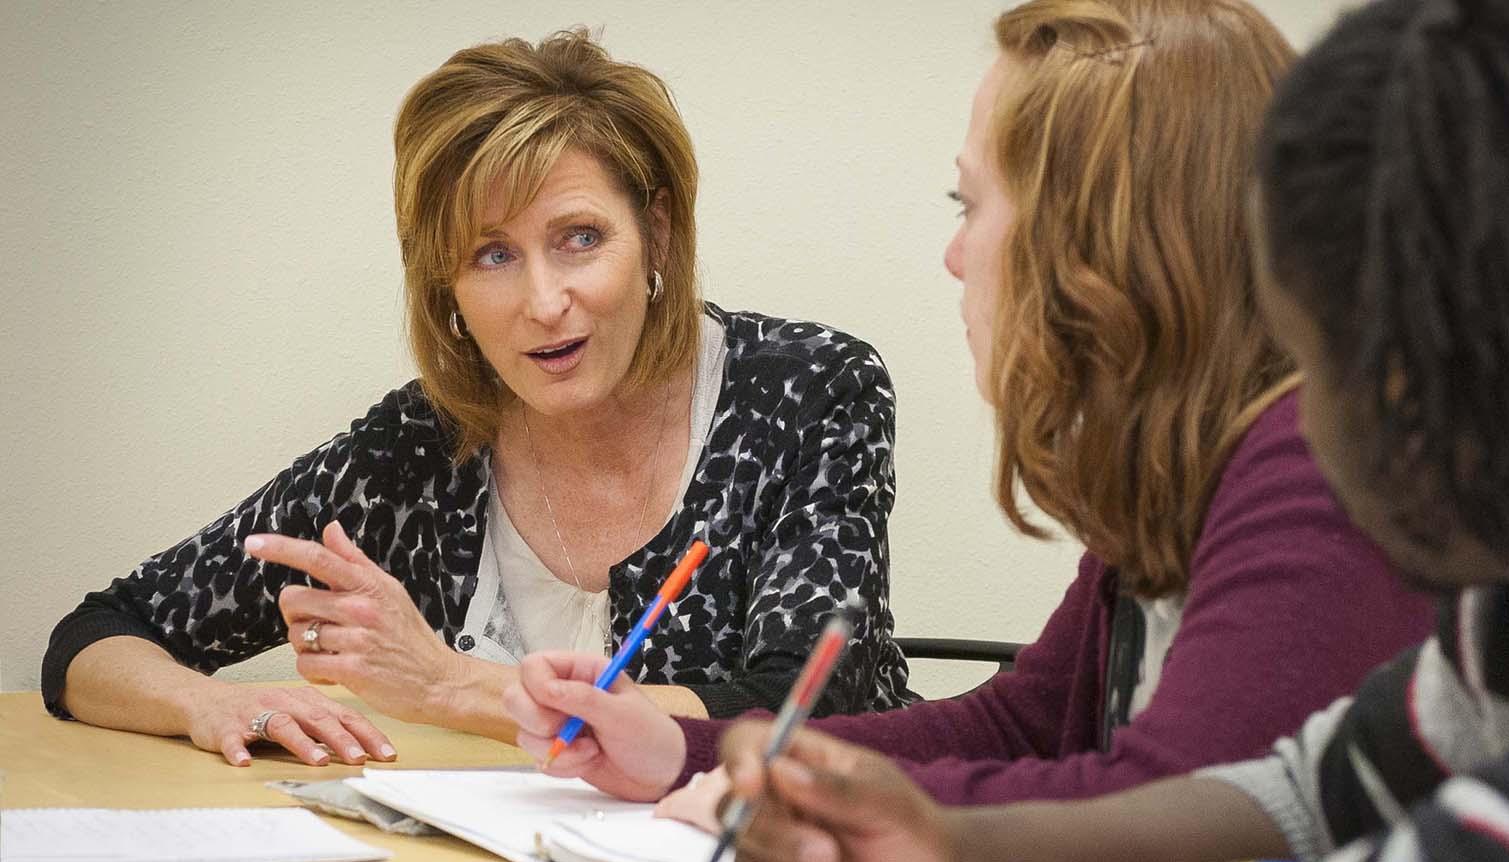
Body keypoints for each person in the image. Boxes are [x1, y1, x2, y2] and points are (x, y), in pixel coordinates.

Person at [716, 0, 1509, 862]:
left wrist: (952, 845)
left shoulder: (1297, 474)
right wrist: (945, 847)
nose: (1310, 402)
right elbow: (1295, 788)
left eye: (1326, 345)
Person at [501, 0, 1434, 812]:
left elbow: (1166, 806)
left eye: (970, 204)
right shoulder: (1186, 471)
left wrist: (820, 801)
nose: (955, 257)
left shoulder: (1309, 469)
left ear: (1096, 238)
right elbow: (1019, 724)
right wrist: (683, 753)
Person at [40, 30, 917, 769]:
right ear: (446, 286)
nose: (542, 302)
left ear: (655, 231)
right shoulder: (424, 445)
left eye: (579, 239)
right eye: (492, 255)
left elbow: (804, 704)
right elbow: (99, 636)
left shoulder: (808, 387)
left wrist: (454, 688)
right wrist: (209, 705)